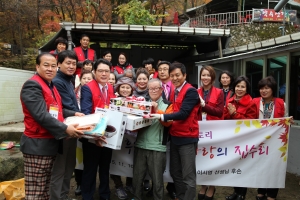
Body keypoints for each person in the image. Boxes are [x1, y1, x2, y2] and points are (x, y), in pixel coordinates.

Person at [20, 53, 83, 199]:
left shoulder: (51, 85)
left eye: (53, 66)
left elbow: (57, 109)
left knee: (45, 190)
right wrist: (65, 129)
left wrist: (74, 113)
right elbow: (41, 115)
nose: (50, 69)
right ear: (37, 66)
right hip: (37, 145)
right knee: (36, 191)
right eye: (46, 65)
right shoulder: (33, 85)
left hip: (49, 143)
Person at [151, 61, 200, 200]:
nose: (175, 78)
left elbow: (184, 113)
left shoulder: (191, 91)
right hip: (175, 136)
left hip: (187, 138)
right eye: (172, 76)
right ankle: (180, 196)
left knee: (188, 175)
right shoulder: (174, 91)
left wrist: (161, 116)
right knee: (175, 172)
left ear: (184, 75)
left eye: (177, 75)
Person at [80, 58, 115, 200]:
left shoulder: (111, 87)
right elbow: (86, 113)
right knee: (90, 169)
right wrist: (95, 135)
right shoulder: (87, 88)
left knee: (105, 168)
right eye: (100, 71)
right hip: (91, 136)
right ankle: (87, 196)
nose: (104, 74)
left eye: (107, 71)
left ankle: (105, 194)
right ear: (94, 72)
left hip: (107, 135)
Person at [132, 78, 173, 200]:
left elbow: (168, 123)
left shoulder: (168, 105)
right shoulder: (142, 103)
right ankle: (136, 197)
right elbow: (135, 125)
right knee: (137, 177)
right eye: (151, 88)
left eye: (156, 88)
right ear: (147, 90)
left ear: (161, 90)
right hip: (140, 144)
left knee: (157, 179)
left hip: (157, 147)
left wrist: (156, 111)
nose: (153, 91)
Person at [50, 50, 81, 200]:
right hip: (63, 130)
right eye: (67, 63)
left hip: (72, 128)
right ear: (59, 63)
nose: (71, 66)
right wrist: (78, 114)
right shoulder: (57, 81)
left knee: (69, 167)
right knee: (60, 169)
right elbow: (63, 107)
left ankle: (63, 196)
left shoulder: (68, 80)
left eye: (74, 63)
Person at [253, 76, 288, 200]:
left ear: (273, 89)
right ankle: (261, 191)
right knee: (261, 166)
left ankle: (272, 194)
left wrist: (288, 120)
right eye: (261, 88)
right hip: (260, 140)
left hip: (275, 141)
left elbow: (285, 119)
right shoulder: (255, 102)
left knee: (274, 167)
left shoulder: (280, 103)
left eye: (267, 88)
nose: (264, 91)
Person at [223, 76, 257, 200]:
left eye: (243, 86)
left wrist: (235, 114)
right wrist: (228, 112)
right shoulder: (230, 101)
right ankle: (235, 192)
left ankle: (242, 194)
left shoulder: (251, 103)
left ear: (247, 89)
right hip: (232, 139)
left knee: (243, 167)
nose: (240, 89)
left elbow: (251, 122)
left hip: (245, 139)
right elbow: (225, 119)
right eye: (238, 86)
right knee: (234, 166)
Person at [197, 65, 224, 200]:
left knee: (212, 159)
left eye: (208, 75)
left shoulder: (219, 92)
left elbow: (219, 112)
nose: (205, 78)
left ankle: (212, 185)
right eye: (203, 75)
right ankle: (203, 184)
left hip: (214, 131)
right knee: (202, 159)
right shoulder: (196, 91)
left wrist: (204, 106)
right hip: (200, 131)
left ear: (212, 77)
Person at [111, 76, 136, 200]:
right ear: (118, 88)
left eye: (128, 87)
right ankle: (118, 186)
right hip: (117, 137)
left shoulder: (137, 101)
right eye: (123, 87)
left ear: (132, 89)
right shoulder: (113, 100)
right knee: (115, 161)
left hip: (132, 138)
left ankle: (129, 184)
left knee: (130, 161)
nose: (125, 90)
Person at [157, 60, 177, 199]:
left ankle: (172, 187)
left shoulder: (176, 87)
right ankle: (155, 185)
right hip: (158, 126)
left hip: (175, 125)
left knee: (174, 159)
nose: (163, 71)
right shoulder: (154, 85)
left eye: (165, 69)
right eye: (161, 69)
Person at [74, 70, 94, 196]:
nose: (87, 80)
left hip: (88, 130)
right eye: (84, 78)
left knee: (87, 160)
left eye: (89, 78)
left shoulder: (93, 91)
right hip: (76, 128)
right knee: (78, 160)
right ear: (80, 80)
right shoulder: (74, 93)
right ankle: (78, 183)